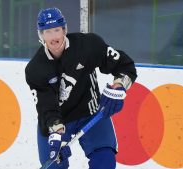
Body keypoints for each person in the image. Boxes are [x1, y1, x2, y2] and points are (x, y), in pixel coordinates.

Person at [25, 7, 137, 169]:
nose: (54, 36)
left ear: (64, 30)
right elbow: (45, 105)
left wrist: (119, 87)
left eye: (57, 30)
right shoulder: (35, 69)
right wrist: (56, 132)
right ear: (41, 35)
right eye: (47, 31)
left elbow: (125, 65)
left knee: (104, 162)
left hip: (91, 114)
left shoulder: (88, 45)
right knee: (53, 166)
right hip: (56, 121)